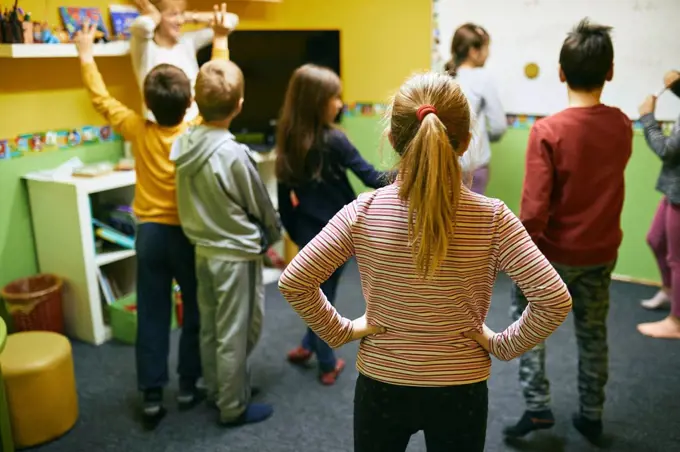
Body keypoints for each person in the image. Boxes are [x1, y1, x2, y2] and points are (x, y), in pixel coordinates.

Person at [279, 71, 571, 452]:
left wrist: (341, 332)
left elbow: (294, 282)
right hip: (460, 390)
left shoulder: (362, 211)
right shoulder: (493, 218)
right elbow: (554, 300)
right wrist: (501, 345)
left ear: (392, 140)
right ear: (467, 142)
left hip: (382, 384)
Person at [74, 9, 231, 429]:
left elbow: (101, 100)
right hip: (187, 236)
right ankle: (188, 384)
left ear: (148, 101)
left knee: (154, 311)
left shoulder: (137, 128)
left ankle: (150, 394)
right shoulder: (196, 126)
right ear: (188, 102)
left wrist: (86, 55)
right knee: (196, 312)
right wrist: (218, 36)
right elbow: (219, 83)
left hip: (148, 237)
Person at [504, 19, 632, 443]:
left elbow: (534, 210)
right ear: (610, 71)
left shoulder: (548, 131)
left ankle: (537, 408)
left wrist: (515, 256)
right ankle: (591, 413)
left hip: (549, 256)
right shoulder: (622, 125)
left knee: (530, 329)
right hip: (600, 253)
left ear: (560, 72)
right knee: (593, 334)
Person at [171, 56, 281, 426]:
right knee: (238, 331)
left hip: (202, 250)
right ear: (239, 106)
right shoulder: (234, 153)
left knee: (212, 326)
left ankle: (220, 388)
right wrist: (274, 233)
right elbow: (260, 202)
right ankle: (232, 406)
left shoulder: (183, 145)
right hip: (235, 255)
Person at [275, 64, 390, 385]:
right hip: (340, 233)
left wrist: (295, 233)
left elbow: (285, 198)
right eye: (334, 97)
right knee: (323, 297)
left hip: (306, 230)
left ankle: (307, 345)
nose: (340, 103)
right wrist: (409, 173)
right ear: (316, 101)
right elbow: (371, 177)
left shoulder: (288, 137)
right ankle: (327, 363)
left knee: (317, 293)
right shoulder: (335, 140)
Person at [130, 0, 239, 122]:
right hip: (159, 131)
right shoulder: (144, 46)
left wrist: (189, 16)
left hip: (194, 127)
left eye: (181, 14)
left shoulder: (187, 41)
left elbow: (230, 21)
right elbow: (142, 26)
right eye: (173, 15)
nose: (180, 21)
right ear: (157, 16)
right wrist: (154, 15)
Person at [636, 69, 680, 339]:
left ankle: (676, 321)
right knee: (655, 239)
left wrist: (647, 118)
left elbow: (666, 150)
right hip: (673, 189)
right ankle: (669, 291)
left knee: (677, 259)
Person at [444, 23, 506, 194]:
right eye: (487, 48)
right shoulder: (483, 78)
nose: (488, 53)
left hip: (443, 164)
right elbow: (499, 126)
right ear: (473, 51)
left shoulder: (443, 77)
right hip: (474, 166)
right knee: (472, 218)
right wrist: (483, 137)